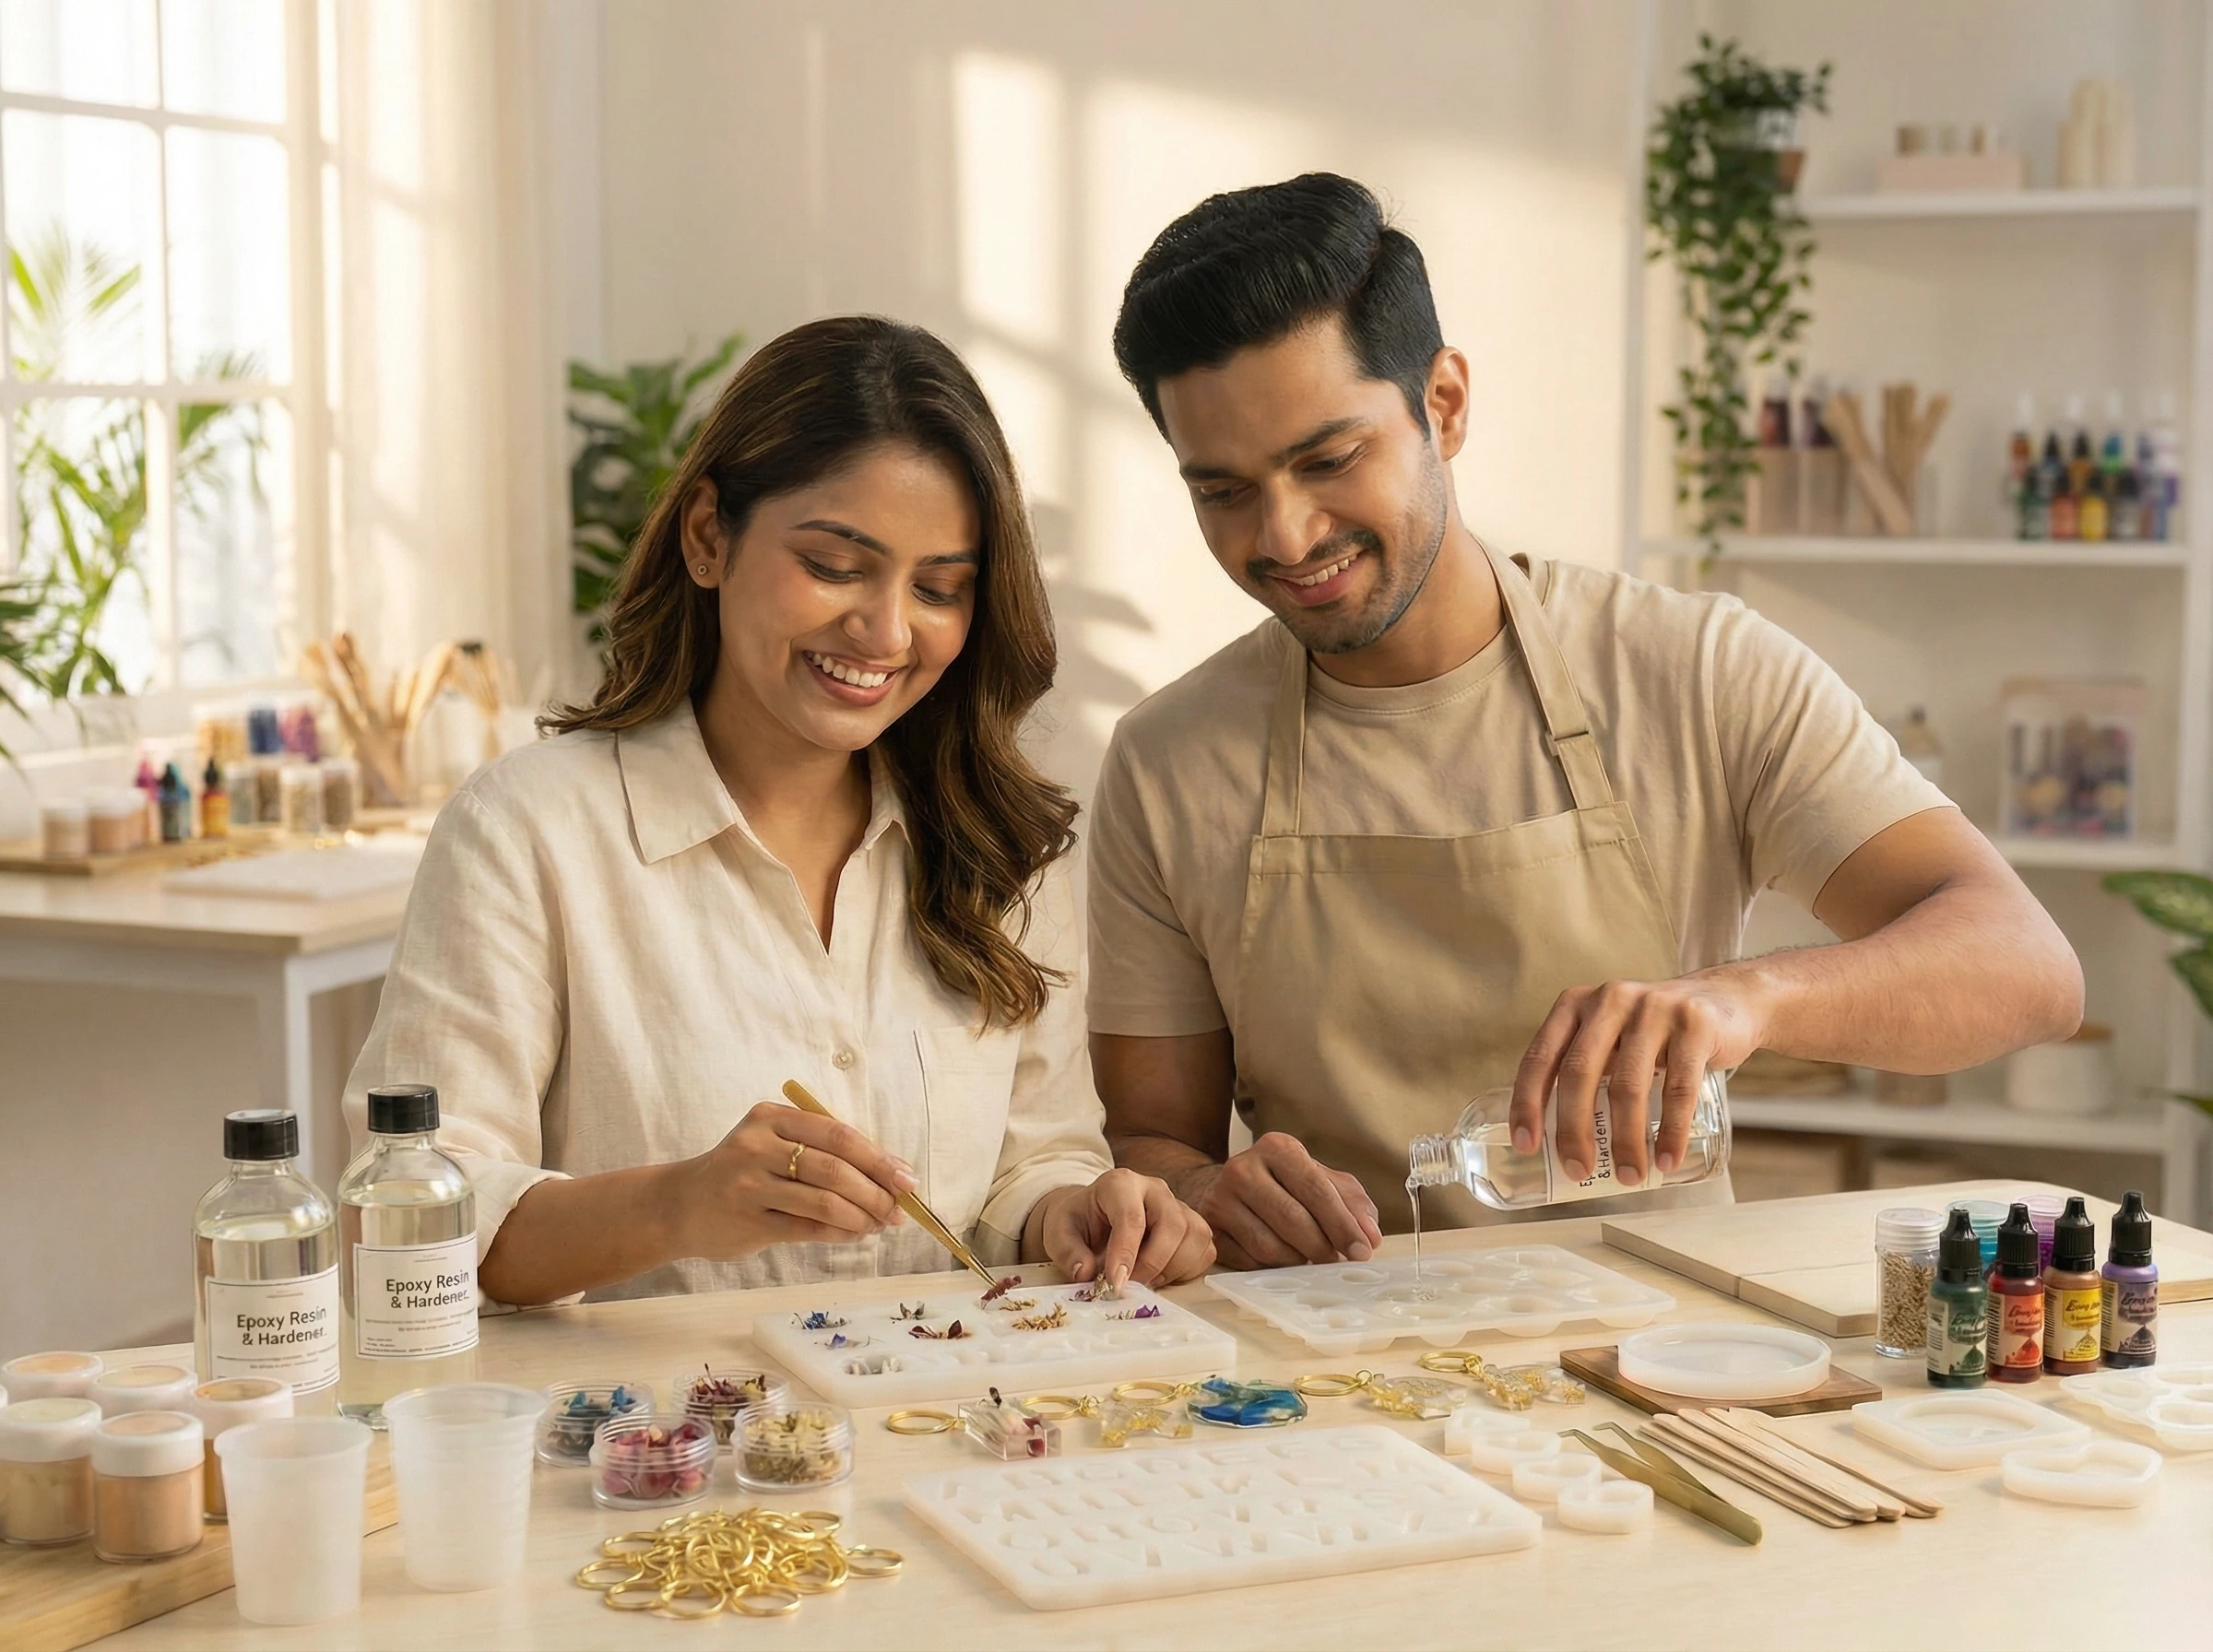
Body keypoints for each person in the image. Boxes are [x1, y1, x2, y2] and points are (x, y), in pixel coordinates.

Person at [1087, 173, 2083, 1269]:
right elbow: (1156, 1141)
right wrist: (1200, 1187)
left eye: (1328, 460)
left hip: (1666, 1332)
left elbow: (2027, 968)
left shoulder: (1694, 670)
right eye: (1223, 491)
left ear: (1444, 404)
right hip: (1326, 1340)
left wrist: (1751, 997)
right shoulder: (1169, 762)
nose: (1284, 535)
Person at [344, 316, 1212, 1305]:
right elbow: (409, 1215)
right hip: (646, 1408)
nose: (885, 632)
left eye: (939, 588)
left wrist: (1072, 1212)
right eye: (835, 567)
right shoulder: (526, 832)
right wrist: (677, 1205)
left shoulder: (1003, 847)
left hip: (945, 1395)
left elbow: (1035, 1160)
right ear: (708, 537)